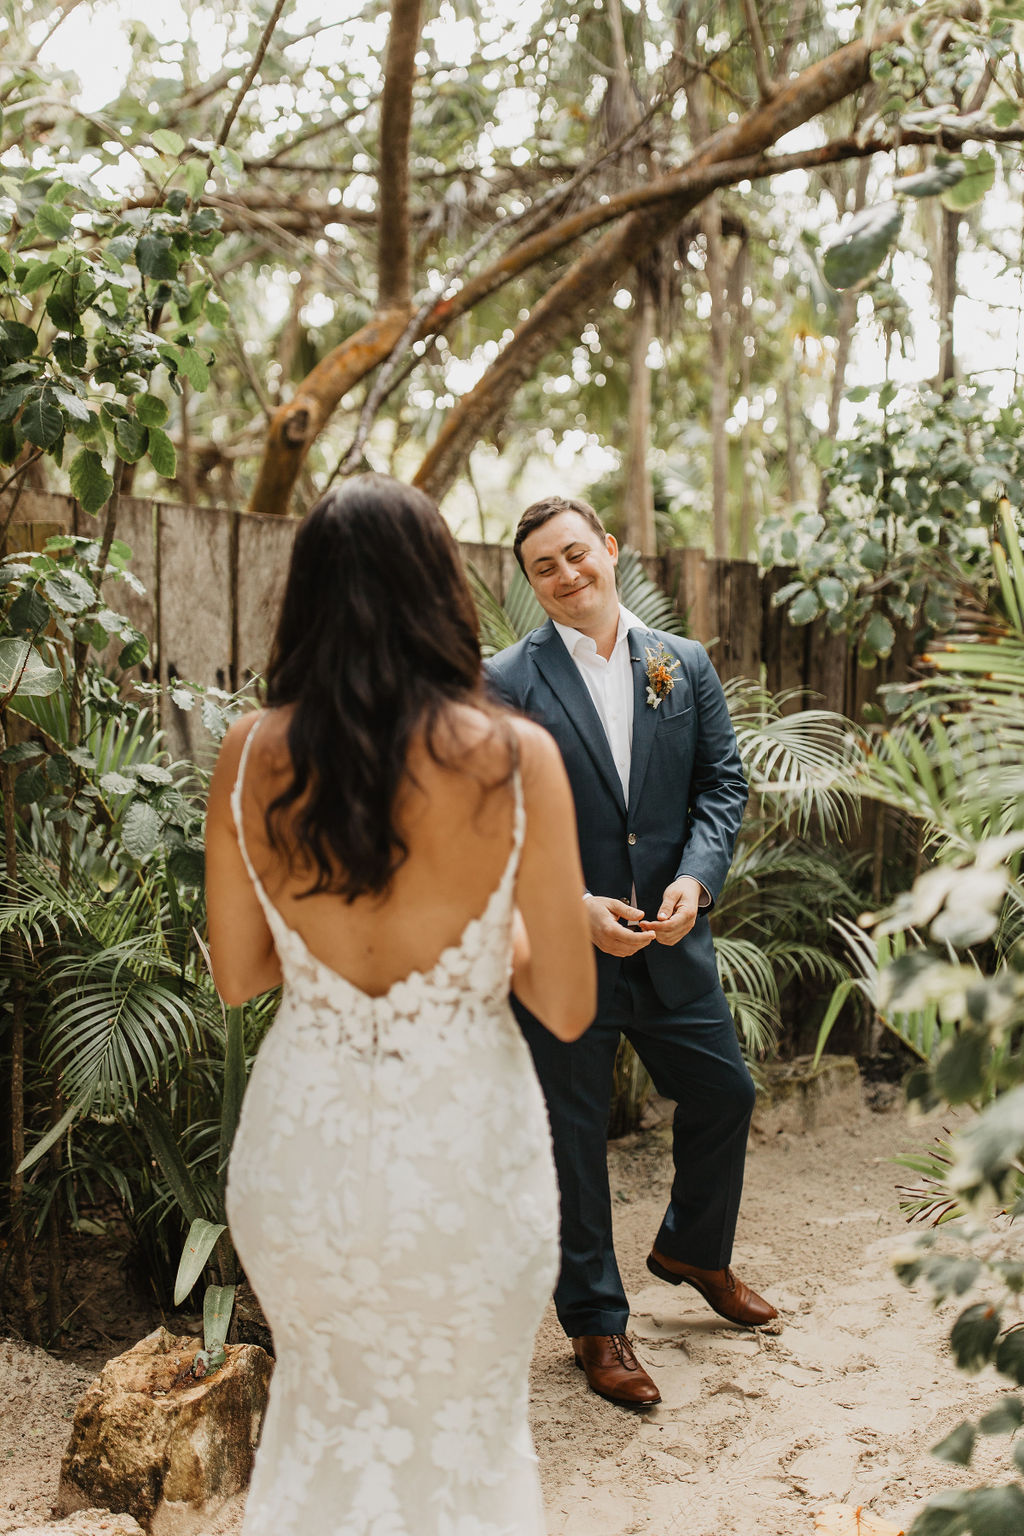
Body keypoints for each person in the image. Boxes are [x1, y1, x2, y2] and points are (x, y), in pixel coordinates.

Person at [205, 475, 595, 1536]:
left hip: (305, 1158)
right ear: (442, 593)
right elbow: (563, 1002)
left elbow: (239, 975)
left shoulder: (250, 753)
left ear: (307, 598)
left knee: (323, 1423)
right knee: (464, 1434)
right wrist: (483, 940)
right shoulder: (517, 761)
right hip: (467, 1160)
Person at [486, 494, 777, 1410]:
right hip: (565, 954)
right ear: (531, 583)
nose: (568, 575)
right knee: (575, 1140)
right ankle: (596, 1328)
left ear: (610, 550)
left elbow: (721, 785)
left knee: (726, 1093)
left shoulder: (681, 664)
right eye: (546, 567)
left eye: (578, 554)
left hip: (673, 944)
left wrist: (699, 878)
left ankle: (694, 1249)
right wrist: (568, 907)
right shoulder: (505, 680)